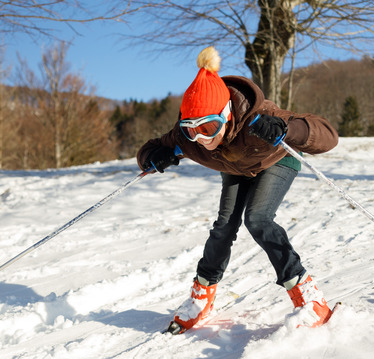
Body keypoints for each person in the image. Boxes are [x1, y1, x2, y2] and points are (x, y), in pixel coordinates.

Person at [136, 46, 339, 334]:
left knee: (258, 219)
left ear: (227, 114)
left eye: (207, 127)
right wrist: (152, 157)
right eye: (191, 128)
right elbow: (150, 149)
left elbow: (327, 135)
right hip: (236, 168)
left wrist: (286, 130)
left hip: (276, 158)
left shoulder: (258, 117)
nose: (200, 138)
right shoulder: (190, 138)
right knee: (223, 227)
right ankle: (202, 298)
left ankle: (310, 299)